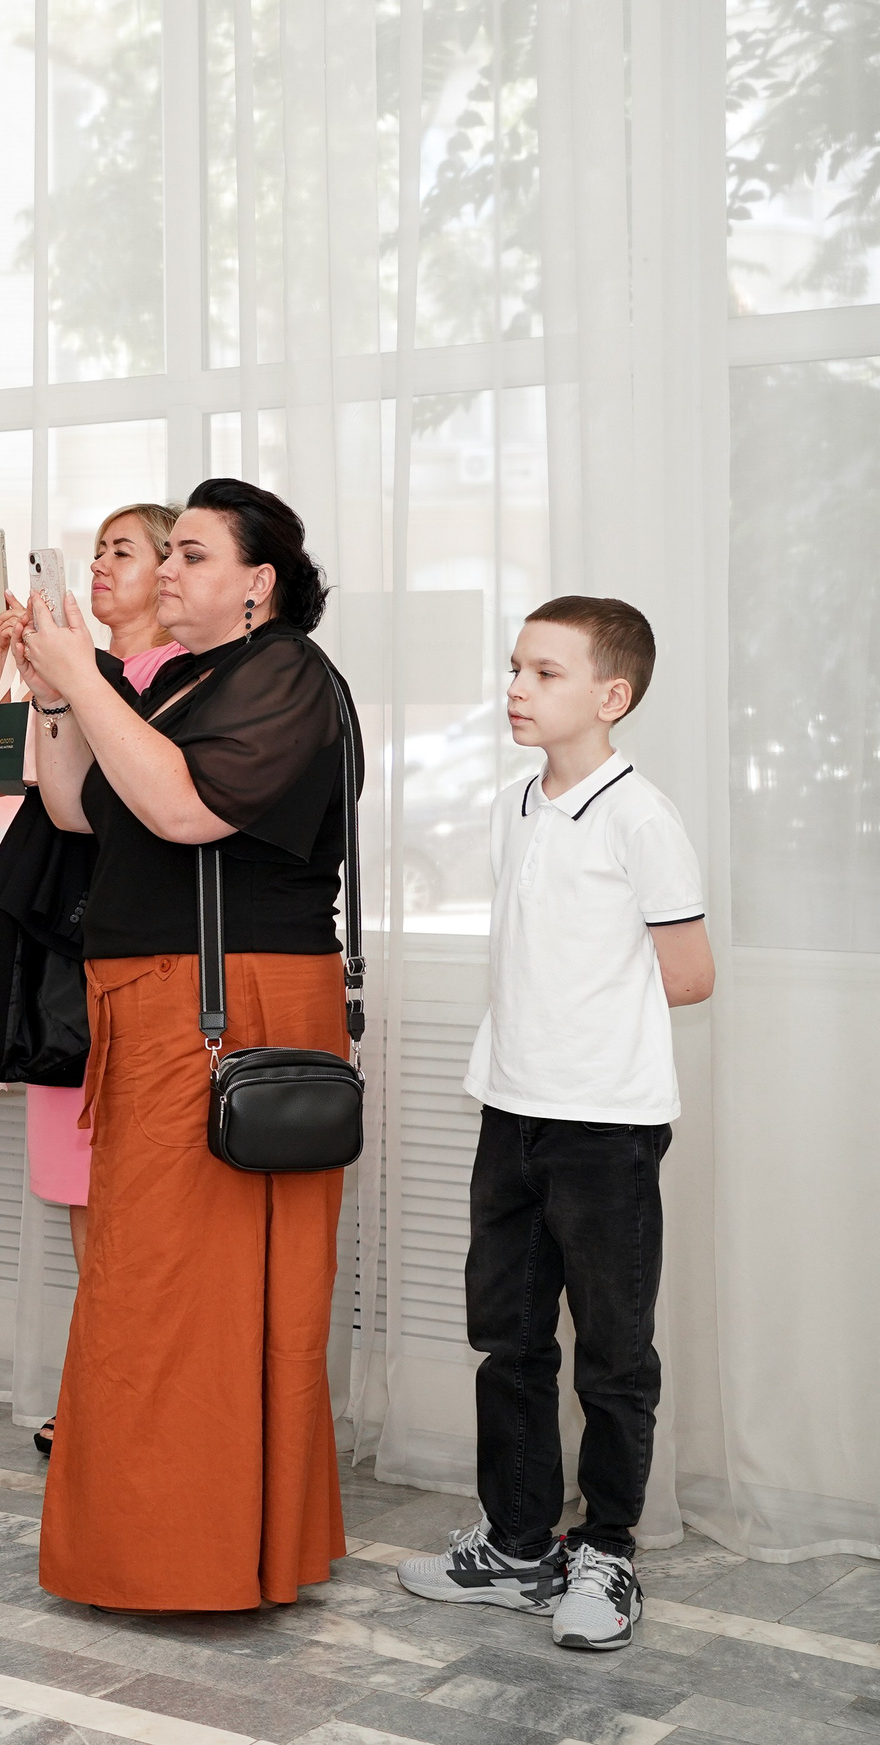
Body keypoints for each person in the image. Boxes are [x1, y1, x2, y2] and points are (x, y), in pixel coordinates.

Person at [14, 476, 359, 1613]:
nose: (168, 572)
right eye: (171, 557)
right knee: (149, 1282)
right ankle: (179, 1546)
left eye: (193, 556)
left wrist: (82, 678)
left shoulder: (287, 674)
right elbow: (75, 804)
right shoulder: (198, 681)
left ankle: (190, 1557)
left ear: (257, 583)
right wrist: (55, 688)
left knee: (185, 1293)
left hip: (232, 1012)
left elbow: (186, 810)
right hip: (164, 1006)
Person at [398, 598, 712, 1651]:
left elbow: (690, 974)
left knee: (613, 1352)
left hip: (606, 1128)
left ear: (608, 695)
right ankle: (519, 1542)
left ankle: (607, 1551)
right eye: (514, 668)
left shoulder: (640, 816)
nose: (516, 688)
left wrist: (590, 1030)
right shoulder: (511, 803)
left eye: (544, 672)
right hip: (509, 1109)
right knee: (510, 1337)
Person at [0, 503, 182, 1455]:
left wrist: (72, 671)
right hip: (62, 953)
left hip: (135, 952)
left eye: (122, 551)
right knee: (81, 1190)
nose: (99, 564)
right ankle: (99, 1378)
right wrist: (0, 664)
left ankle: (126, 1389)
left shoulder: (179, 679)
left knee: (137, 1192)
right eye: (95, 550)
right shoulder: (72, 671)